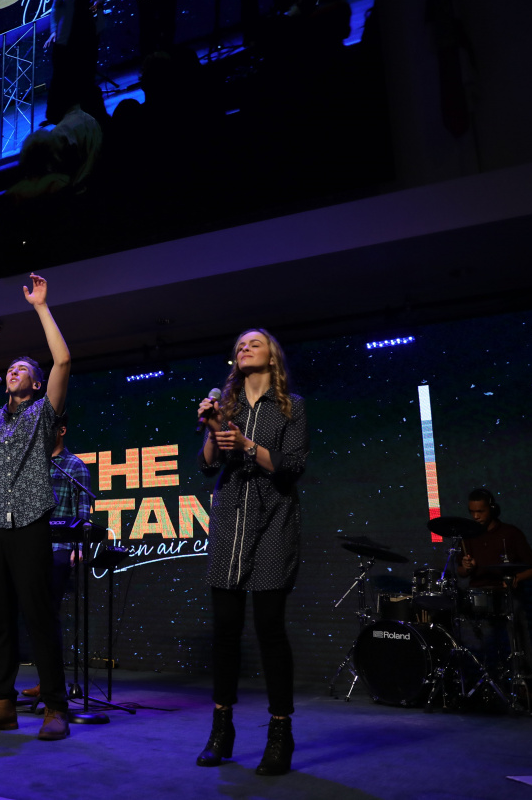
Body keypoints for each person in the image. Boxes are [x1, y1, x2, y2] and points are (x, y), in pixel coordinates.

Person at [0, 273, 72, 740]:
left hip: (30, 520)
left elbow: (63, 359)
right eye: (10, 369)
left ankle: (55, 707)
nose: (14, 372)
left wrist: (40, 306)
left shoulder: (44, 412)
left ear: (37, 383)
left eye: (22, 369)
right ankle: (2, 703)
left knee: (38, 615)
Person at [195, 329, 307, 775]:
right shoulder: (227, 406)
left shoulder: (291, 406)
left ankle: (280, 733)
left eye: (253, 344)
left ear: (272, 356)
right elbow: (208, 464)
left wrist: (246, 445)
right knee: (225, 630)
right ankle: (221, 730)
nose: (244, 349)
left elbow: (291, 466)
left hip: (274, 520)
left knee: (269, 629)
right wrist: (212, 428)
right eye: (240, 346)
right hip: (230, 523)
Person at [22, 413, 92, 700]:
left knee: (47, 614)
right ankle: (46, 680)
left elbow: (83, 509)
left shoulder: (74, 466)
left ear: (61, 430)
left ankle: (51, 684)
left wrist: (79, 546)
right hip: (31, 547)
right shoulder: (34, 463)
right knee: (35, 615)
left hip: (60, 549)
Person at [46, 0, 114, 124]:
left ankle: (91, 113)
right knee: (66, 72)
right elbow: (55, 7)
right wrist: (53, 31)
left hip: (89, 28)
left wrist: (100, 1)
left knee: (87, 70)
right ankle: (63, 114)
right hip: (67, 31)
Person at [456, 488, 532, 588]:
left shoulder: (511, 533)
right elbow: (461, 572)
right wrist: (466, 568)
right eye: (472, 512)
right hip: (477, 592)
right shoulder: (468, 535)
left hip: (505, 591)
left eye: (480, 511)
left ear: (492, 509)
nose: (475, 516)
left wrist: (516, 578)